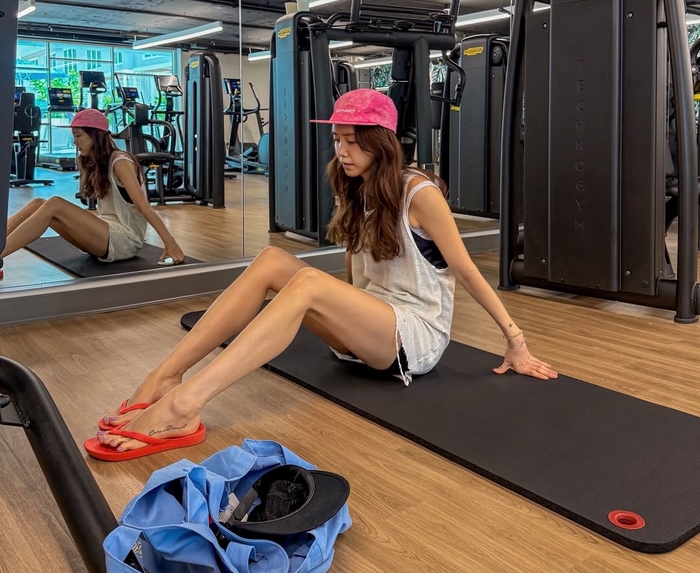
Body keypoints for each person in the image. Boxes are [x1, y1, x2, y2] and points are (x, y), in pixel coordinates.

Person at [89, 88, 555, 461]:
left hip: (413, 337)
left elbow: (467, 271)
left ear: (381, 142)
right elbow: (356, 272)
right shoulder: (356, 187)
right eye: (338, 140)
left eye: (353, 141)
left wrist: (515, 340)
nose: (342, 151)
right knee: (272, 260)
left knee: (309, 282)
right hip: (370, 328)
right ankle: (165, 377)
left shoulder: (419, 193)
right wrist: (343, 313)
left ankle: (184, 406)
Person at [2, 107, 185, 269]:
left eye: (78, 136)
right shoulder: (94, 162)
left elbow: (144, 207)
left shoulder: (121, 162)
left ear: (95, 136)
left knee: (55, 204)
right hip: (105, 234)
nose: (75, 142)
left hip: (125, 240)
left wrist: (171, 243)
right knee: (37, 204)